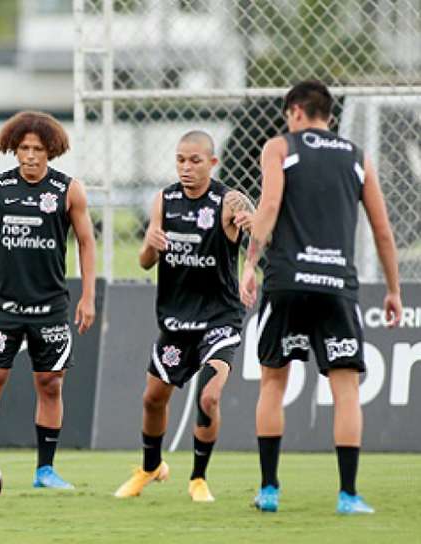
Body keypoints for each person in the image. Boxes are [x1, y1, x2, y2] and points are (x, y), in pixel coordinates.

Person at [240, 80, 402, 514]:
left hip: (287, 282)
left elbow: (269, 207)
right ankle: (348, 495)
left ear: (294, 111)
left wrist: (250, 263)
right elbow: (383, 230)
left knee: (274, 382)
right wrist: (392, 290)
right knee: (346, 390)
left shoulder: (280, 147)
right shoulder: (356, 157)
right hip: (336, 286)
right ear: (327, 114)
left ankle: (269, 490)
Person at [0, 111, 96, 489]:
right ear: (13, 149)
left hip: (50, 306)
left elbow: (86, 242)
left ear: (51, 151)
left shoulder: (68, 191)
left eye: (38, 149)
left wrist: (88, 296)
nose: (31, 155)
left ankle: (45, 471)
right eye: (24, 148)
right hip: (3, 304)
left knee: (50, 383)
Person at [114, 130, 254, 501]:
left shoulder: (230, 202)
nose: (186, 167)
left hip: (220, 320)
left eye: (194, 160)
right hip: (176, 322)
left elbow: (258, 236)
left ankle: (198, 478)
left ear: (212, 162)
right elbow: (145, 262)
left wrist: (251, 265)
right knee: (152, 399)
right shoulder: (164, 200)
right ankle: (150, 468)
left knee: (208, 399)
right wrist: (150, 244)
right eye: (180, 160)